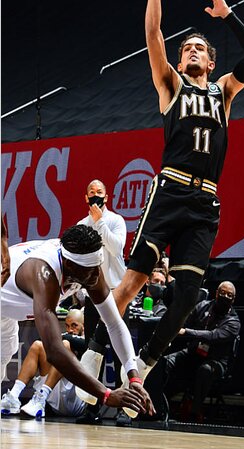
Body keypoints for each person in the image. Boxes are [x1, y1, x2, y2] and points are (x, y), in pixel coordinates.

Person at [82, 0, 244, 394]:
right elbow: (153, 33)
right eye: (187, 49)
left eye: (201, 47)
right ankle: (94, 358)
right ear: (180, 61)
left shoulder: (224, 91)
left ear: (212, 61)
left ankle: (140, 364)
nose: (193, 51)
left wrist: (228, 15)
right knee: (131, 283)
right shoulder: (171, 85)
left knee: (185, 298)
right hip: (170, 190)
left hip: (205, 202)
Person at [0, 223, 150, 416]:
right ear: (70, 265)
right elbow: (54, 351)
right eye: (91, 269)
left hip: (7, 314)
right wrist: (105, 394)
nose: (97, 275)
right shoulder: (44, 274)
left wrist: (134, 378)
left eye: (98, 266)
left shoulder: (87, 266)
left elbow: (113, 323)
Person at [146, 281, 240, 423]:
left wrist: (187, 332)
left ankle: (194, 412)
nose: (225, 296)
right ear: (216, 293)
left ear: (233, 299)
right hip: (193, 352)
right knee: (165, 361)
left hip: (216, 361)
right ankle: (157, 403)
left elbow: (213, 335)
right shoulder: (202, 306)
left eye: (229, 295)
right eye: (222, 293)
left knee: (205, 370)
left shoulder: (233, 322)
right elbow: (184, 323)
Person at [75, 178, 127, 405]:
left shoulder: (116, 220)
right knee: (92, 350)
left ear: (106, 197)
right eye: (91, 192)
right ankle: (90, 405)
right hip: (92, 294)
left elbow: (116, 248)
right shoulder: (80, 225)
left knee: (118, 351)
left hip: (116, 292)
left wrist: (99, 223)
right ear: (86, 198)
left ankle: (124, 406)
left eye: (100, 192)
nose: (95, 195)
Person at [1, 309, 87, 419]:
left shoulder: (89, 340)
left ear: (83, 326)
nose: (70, 329)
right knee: (38, 346)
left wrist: (57, 338)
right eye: (67, 325)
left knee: (64, 346)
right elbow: (43, 340)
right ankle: (13, 397)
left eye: (74, 325)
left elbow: (76, 343)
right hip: (56, 396)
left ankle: (41, 397)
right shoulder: (64, 337)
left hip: (77, 398)